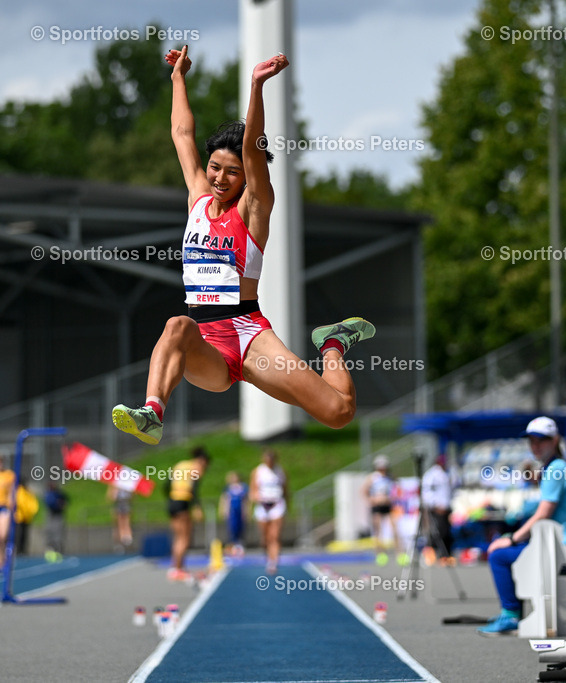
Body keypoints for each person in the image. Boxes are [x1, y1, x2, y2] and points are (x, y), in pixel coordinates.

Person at [111, 45, 374, 446]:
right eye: (215, 167)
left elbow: (252, 149)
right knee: (176, 326)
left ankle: (333, 343)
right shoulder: (198, 199)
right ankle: (152, 412)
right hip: (208, 344)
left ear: (244, 179)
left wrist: (256, 86)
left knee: (339, 413)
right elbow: (182, 134)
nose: (219, 178)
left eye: (231, 173)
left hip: (250, 335)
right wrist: (178, 78)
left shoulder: (254, 207)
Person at [478, 416, 566, 636]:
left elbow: (544, 513)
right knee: (509, 548)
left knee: (498, 555)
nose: (535, 445)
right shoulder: (554, 467)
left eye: (541, 440)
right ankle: (514, 614)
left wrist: (512, 538)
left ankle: (511, 616)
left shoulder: (555, 469)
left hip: (564, 551)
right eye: (531, 440)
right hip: (563, 546)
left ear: (555, 440)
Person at [167, 446, 210, 581]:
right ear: (202, 460)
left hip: (172, 500)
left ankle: (176, 567)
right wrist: (197, 507)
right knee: (185, 537)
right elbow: (194, 488)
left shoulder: (180, 464)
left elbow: (167, 484)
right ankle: (178, 568)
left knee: (177, 537)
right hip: (183, 501)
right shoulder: (195, 467)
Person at [250, 449, 289, 574]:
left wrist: (287, 503)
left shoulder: (281, 471)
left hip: (277, 504)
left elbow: (286, 489)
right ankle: (268, 555)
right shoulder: (258, 471)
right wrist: (255, 497)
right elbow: (253, 490)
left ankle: (273, 562)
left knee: (275, 536)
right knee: (265, 537)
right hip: (262, 504)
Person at [362, 454, 400, 564]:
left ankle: (399, 552)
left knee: (395, 529)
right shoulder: (373, 477)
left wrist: (392, 498)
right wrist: (371, 500)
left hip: (388, 506)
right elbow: (364, 491)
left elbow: (397, 489)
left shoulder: (390, 477)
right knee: (378, 531)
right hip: (377, 507)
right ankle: (380, 553)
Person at [421, 454, 455, 565]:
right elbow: (427, 491)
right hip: (436, 508)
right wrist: (434, 504)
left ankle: (445, 555)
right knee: (437, 532)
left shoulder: (448, 473)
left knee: (447, 532)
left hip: (446, 508)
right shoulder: (432, 475)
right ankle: (431, 553)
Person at [219, 471, 248, 556]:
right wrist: (223, 510)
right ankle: (231, 547)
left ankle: (240, 546)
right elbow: (224, 499)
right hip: (232, 511)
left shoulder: (243, 487)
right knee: (231, 529)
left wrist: (246, 511)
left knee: (241, 529)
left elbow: (246, 500)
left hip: (240, 510)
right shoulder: (228, 488)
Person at [44, 482, 68, 559]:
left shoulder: (59, 494)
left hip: (58, 515)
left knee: (58, 532)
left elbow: (66, 500)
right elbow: (49, 502)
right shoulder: (48, 494)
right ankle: (50, 549)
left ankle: (58, 550)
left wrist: (61, 504)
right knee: (50, 531)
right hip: (51, 514)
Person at [109, 484, 134, 552]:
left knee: (126, 522)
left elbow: (132, 497)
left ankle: (127, 539)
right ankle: (120, 542)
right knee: (119, 524)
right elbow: (111, 497)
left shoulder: (128, 486)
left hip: (125, 504)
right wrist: (115, 491)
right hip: (118, 505)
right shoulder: (114, 486)